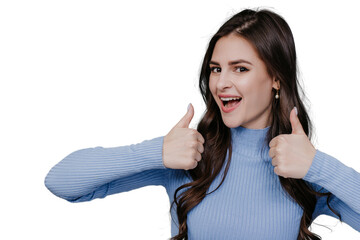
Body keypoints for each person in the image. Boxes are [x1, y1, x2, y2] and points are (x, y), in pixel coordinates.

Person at [44, 8, 360, 239]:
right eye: (215, 68)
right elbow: (61, 182)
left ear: (276, 78)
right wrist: (155, 152)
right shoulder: (190, 157)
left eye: (240, 69)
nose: (221, 82)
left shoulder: (302, 171)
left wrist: (318, 166)